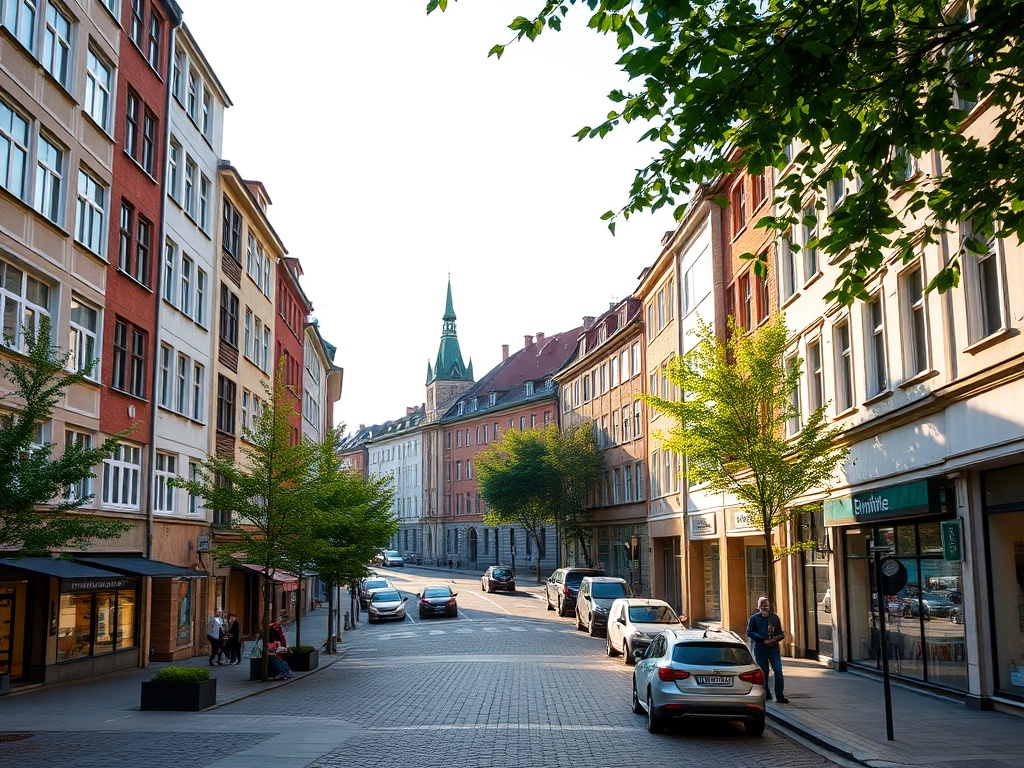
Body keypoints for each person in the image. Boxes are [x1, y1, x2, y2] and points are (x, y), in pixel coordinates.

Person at [746, 596, 788, 702]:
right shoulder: (754, 618)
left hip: (773, 648)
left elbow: (779, 633)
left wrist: (776, 639)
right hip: (760, 648)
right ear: (758, 606)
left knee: (778, 671)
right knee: (763, 672)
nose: (765, 607)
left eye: (767, 604)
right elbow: (750, 632)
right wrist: (763, 640)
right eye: (763, 605)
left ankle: (779, 695)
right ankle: (766, 694)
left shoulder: (774, 617)